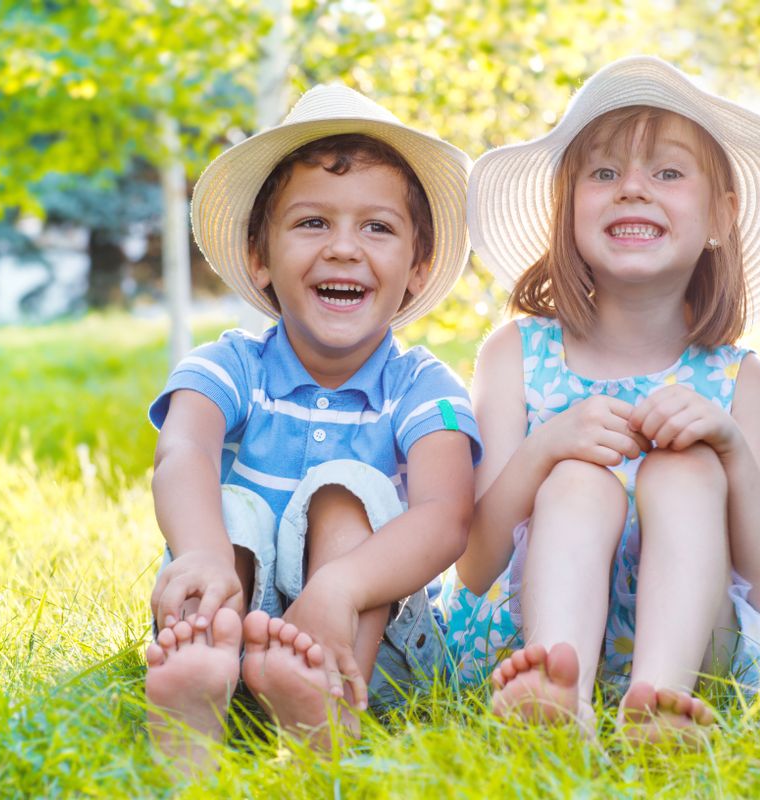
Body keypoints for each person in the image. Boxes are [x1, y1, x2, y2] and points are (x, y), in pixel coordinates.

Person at [441, 56, 760, 741]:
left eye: (668, 172)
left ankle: (658, 700)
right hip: (527, 639)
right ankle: (558, 694)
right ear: (567, 215)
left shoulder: (737, 379)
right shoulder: (517, 356)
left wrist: (731, 451)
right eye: (602, 173)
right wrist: (544, 450)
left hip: (700, 652)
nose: (632, 189)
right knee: (574, 479)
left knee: (687, 466)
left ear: (720, 217)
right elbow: (474, 564)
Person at [143, 84, 481, 766]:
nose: (344, 250)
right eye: (312, 223)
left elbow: (447, 517)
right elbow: (182, 451)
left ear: (417, 268)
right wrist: (204, 555)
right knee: (228, 511)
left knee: (345, 487)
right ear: (260, 257)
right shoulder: (230, 365)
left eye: (377, 227)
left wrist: (340, 588)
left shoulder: (421, 386)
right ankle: (203, 680)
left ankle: (326, 704)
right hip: (234, 620)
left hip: (374, 650)